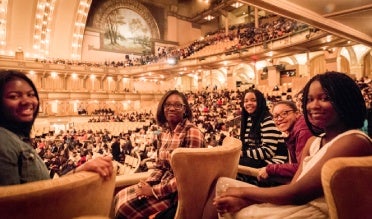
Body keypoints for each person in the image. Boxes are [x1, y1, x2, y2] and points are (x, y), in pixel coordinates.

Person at [210, 72, 372, 219]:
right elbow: (293, 186)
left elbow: (298, 193)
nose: (314, 105)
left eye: (324, 98)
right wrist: (246, 201)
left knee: (229, 196)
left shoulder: (352, 141)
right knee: (222, 185)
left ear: (345, 101)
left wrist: (242, 193)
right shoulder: (314, 142)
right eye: (309, 99)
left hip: (313, 212)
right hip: (296, 204)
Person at [0, 70, 113, 186]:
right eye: (14, 96)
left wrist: (80, 170)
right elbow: (12, 201)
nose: (26, 101)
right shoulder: (3, 141)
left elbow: (45, 188)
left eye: (31, 94)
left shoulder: (15, 138)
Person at [114, 90, 205, 219]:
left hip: (178, 196)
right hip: (162, 186)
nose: (172, 108)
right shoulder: (164, 134)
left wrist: (153, 191)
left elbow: (188, 177)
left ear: (185, 110)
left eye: (177, 105)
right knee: (119, 197)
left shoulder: (192, 133)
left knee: (124, 210)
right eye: (167, 105)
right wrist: (147, 184)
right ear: (163, 108)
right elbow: (160, 166)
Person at [238, 88, 288, 185]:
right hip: (257, 158)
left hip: (273, 160)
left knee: (235, 163)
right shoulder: (248, 120)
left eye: (253, 100)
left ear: (260, 102)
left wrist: (243, 153)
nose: (249, 103)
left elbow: (268, 151)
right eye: (246, 101)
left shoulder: (267, 120)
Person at [256, 100, 313, 185]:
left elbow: (303, 167)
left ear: (297, 114)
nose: (279, 118)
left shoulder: (303, 131)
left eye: (285, 113)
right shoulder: (295, 129)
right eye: (275, 116)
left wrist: (270, 169)